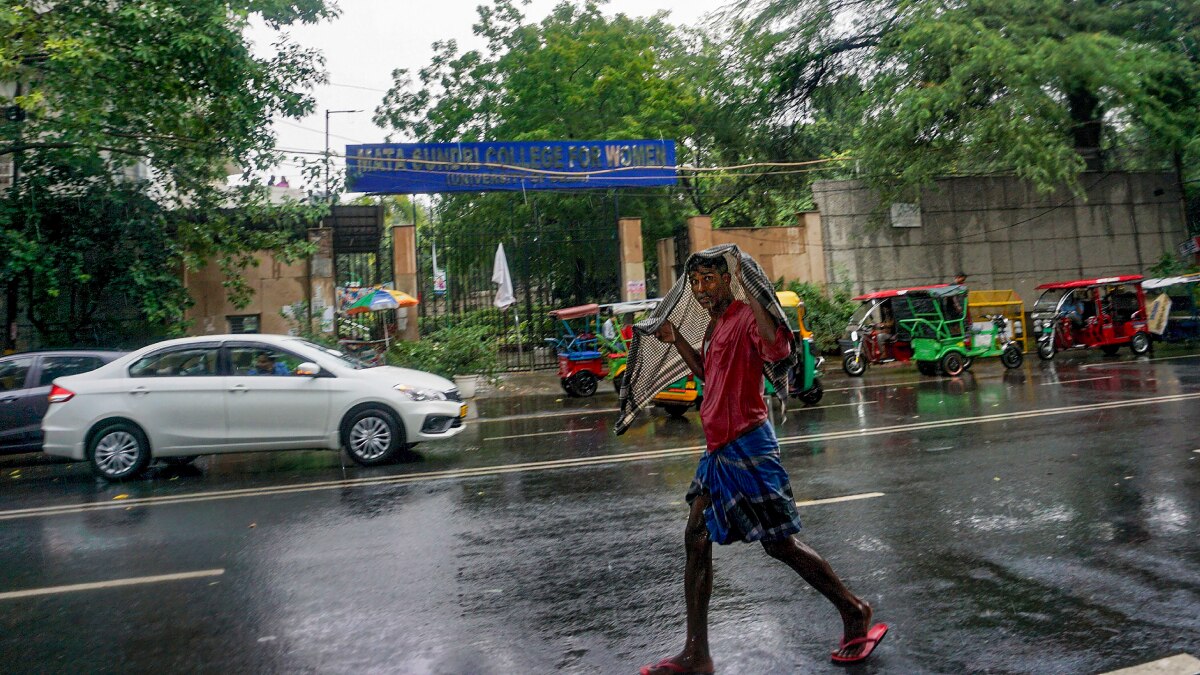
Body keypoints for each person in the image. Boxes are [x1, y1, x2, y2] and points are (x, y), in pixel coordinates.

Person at [640, 254, 886, 674]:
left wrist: (754, 293)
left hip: (750, 447)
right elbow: (709, 374)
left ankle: (853, 611)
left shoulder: (745, 317)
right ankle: (697, 653)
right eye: (695, 282)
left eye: (709, 280)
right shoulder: (715, 325)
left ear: (728, 281)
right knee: (696, 538)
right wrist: (677, 338)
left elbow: (776, 347)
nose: (700, 290)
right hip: (717, 451)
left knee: (779, 544)